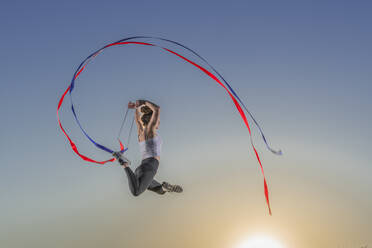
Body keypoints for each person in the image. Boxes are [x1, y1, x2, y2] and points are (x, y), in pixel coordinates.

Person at [113, 99, 183, 196]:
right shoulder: (150, 130)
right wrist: (143, 102)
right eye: (157, 120)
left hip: (144, 167)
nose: (158, 122)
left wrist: (136, 108)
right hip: (149, 167)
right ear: (151, 120)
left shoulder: (141, 132)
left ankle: (165, 188)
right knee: (136, 192)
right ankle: (124, 164)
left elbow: (137, 121)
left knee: (159, 190)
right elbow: (157, 109)